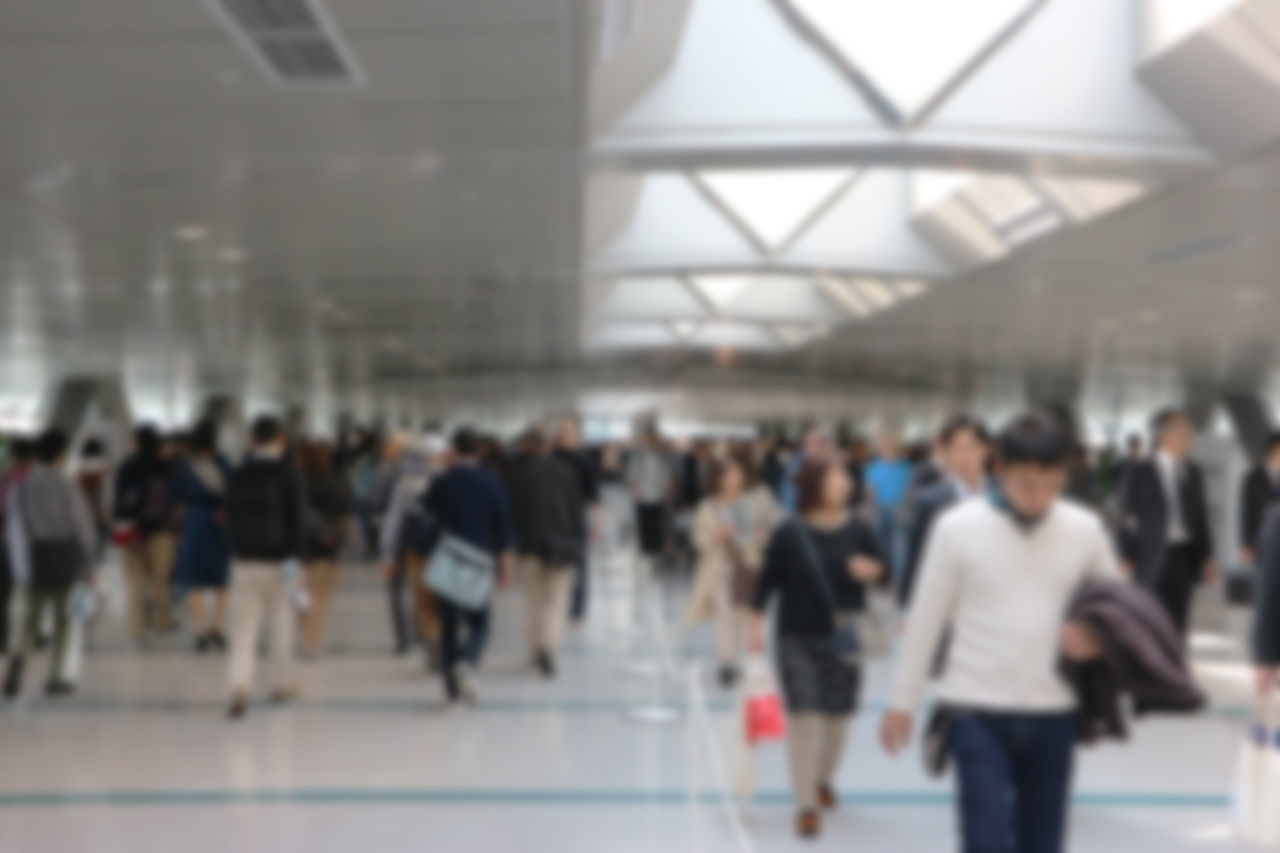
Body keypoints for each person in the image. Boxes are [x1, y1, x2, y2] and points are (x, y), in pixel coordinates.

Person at [881, 411, 1120, 853]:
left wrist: (1097, 640)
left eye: (1053, 485)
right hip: (975, 709)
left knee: (1042, 841)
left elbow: (1116, 611)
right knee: (985, 839)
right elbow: (926, 619)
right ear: (998, 469)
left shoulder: (1084, 530)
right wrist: (902, 701)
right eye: (1027, 484)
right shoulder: (956, 528)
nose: (1040, 498)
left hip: (1054, 710)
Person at [749, 458, 883, 839]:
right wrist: (755, 626)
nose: (845, 479)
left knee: (837, 721)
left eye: (845, 473)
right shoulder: (789, 532)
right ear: (815, 485)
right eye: (837, 473)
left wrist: (873, 571)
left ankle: (822, 779)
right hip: (796, 638)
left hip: (846, 638)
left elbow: (887, 569)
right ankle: (806, 803)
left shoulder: (860, 530)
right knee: (806, 717)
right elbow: (766, 584)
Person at [422, 427, 514, 707]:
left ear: (454, 451)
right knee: (480, 623)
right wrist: (505, 564)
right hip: (480, 560)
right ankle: (468, 660)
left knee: (448, 625)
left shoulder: (444, 481)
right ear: (479, 451)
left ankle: (451, 690)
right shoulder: (493, 482)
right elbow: (504, 526)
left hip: (449, 558)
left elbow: (428, 512)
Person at [3, 428, 97, 699]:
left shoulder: (20, 488)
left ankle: (17, 661)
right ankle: (56, 677)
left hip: (32, 560)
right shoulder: (67, 486)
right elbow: (83, 527)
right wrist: (87, 564)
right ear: (60, 456)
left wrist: (21, 568)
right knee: (64, 620)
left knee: (26, 619)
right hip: (65, 560)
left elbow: (15, 529)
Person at [224, 415, 306, 720]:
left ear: (251, 439)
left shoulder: (239, 473)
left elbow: (228, 516)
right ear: (281, 438)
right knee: (283, 624)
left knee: (242, 630)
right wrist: (299, 558)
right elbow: (298, 518)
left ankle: (239, 685)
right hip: (283, 561)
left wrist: (233, 550)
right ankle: (283, 682)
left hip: (244, 561)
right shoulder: (289, 474)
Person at [1115, 409, 1216, 640]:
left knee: (1179, 618)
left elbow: (1201, 517)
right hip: (1151, 553)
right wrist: (1125, 553)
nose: (1188, 436)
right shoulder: (1139, 469)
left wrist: (1207, 557)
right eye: (1182, 430)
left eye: (1189, 431)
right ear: (1162, 434)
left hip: (1184, 555)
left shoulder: (1193, 471)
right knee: (1151, 617)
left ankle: (1175, 666)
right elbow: (1124, 514)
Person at [688, 457, 773, 688]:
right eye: (730, 474)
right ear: (720, 480)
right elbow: (698, 540)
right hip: (719, 568)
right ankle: (726, 663)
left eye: (738, 474)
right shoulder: (709, 506)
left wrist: (760, 535)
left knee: (743, 615)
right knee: (725, 613)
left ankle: (743, 663)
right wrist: (718, 534)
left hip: (746, 566)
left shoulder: (751, 504)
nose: (735, 479)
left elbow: (764, 535)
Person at [506, 428, 584, 678]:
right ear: (549, 445)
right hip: (561, 545)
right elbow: (576, 510)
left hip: (529, 545)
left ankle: (535, 648)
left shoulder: (517, 475)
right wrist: (578, 541)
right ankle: (548, 647)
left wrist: (510, 546)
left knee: (534, 599)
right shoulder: (566, 472)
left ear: (528, 446)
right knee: (557, 600)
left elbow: (511, 513)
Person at [899, 415, 990, 608]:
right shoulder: (929, 500)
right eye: (957, 448)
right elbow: (917, 557)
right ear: (946, 453)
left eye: (972, 447)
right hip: (947, 600)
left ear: (986, 449)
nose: (965, 456)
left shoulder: (1003, 495)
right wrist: (907, 606)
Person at [378, 435, 442, 664]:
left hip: (418, 548)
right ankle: (433, 639)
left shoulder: (405, 483)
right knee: (434, 597)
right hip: (440, 549)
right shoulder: (447, 480)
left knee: (423, 597)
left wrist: (387, 553)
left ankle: (428, 639)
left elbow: (393, 521)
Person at [113, 424, 179, 644]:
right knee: (162, 579)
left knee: (136, 581)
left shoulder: (127, 466)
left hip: (132, 529)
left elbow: (118, 500)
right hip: (162, 530)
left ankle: (137, 628)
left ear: (136, 442)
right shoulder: (167, 467)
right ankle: (162, 623)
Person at [172, 421, 233, 653]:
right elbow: (231, 489)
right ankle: (217, 628)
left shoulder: (184, 465)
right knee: (221, 578)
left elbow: (175, 495)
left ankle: (200, 631)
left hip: (194, 520)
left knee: (194, 579)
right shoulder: (223, 461)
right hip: (219, 521)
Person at [299, 440, 352, 658]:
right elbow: (345, 518)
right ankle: (311, 643)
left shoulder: (293, 482)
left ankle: (305, 635)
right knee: (320, 598)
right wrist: (341, 541)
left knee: (296, 596)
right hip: (326, 550)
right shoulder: (337, 483)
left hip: (294, 552)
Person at [554, 417, 600, 625]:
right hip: (554, 518)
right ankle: (557, 604)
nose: (566, 436)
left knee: (580, 565)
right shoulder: (551, 457)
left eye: (570, 432)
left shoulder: (584, 461)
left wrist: (597, 523)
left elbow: (594, 497)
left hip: (576, 518)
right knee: (554, 563)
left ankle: (577, 609)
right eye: (563, 432)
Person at [0, 439, 35, 664]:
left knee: (4, 593)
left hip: (4, 541)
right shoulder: (32, 478)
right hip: (25, 543)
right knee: (28, 592)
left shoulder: (4, 475)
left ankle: (3, 639)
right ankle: (30, 636)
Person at [865, 430, 913, 586]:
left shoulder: (906, 467)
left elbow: (910, 491)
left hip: (899, 509)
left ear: (895, 446)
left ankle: (899, 581)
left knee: (900, 548)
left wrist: (908, 510)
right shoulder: (873, 467)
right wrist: (870, 512)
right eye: (883, 445)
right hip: (879, 509)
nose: (886, 447)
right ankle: (882, 578)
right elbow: (870, 491)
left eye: (889, 444)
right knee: (880, 547)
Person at [627, 426, 674, 566]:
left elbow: (666, 475)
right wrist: (636, 490)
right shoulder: (639, 455)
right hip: (643, 495)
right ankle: (646, 548)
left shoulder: (662, 456)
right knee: (644, 523)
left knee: (656, 523)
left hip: (658, 495)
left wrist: (666, 491)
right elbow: (632, 475)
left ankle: (656, 548)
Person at [1239, 431, 1280, 566]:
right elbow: (1247, 512)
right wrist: (1246, 544)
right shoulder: (1253, 478)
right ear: (1274, 449)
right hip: (1262, 542)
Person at [74, 437, 111, 555]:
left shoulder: (79, 467)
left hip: (83, 512)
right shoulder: (105, 467)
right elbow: (108, 492)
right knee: (100, 546)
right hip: (100, 514)